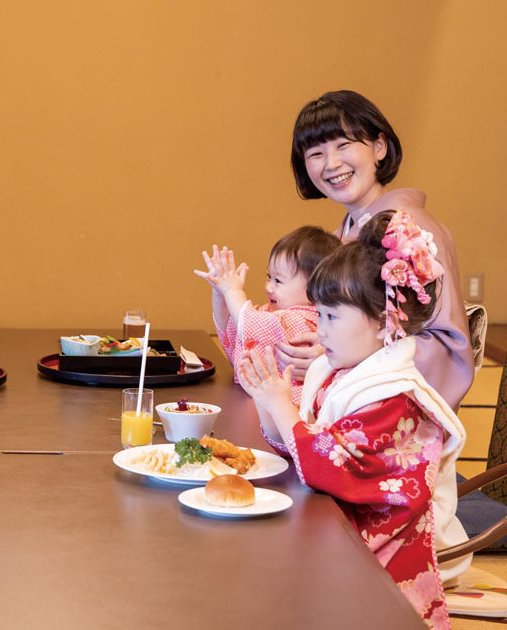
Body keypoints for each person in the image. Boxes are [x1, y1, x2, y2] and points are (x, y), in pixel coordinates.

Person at [237, 210, 468, 628]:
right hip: (339, 541)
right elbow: (299, 445)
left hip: (380, 575)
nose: (320, 330)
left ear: (385, 322)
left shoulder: (396, 401)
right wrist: (267, 399)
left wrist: (281, 406)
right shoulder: (342, 372)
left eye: (330, 317)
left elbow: (326, 466)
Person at [277, 90, 473, 410]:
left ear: (379, 147)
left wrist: (335, 357)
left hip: (382, 424)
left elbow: (445, 347)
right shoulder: (344, 232)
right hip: (340, 406)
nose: (332, 163)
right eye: (315, 153)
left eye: (343, 145)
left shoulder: (411, 231)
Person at [193, 226, 340, 404]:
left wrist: (232, 290)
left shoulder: (305, 319)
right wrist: (220, 292)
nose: (268, 287)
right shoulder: (273, 313)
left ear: (314, 287)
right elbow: (231, 326)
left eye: (278, 280)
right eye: (269, 277)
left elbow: (250, 323)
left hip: (289, 411)